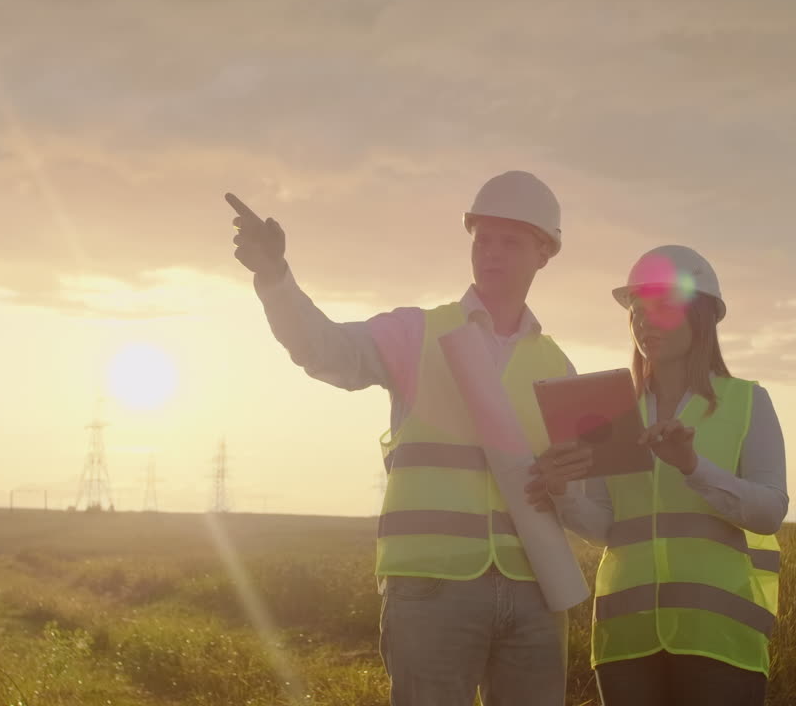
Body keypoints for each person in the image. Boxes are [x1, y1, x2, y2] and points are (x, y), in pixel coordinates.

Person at [226, 171, 579, 706]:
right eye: (483, 238)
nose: (491, 252)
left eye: (510, 241)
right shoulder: (417, 332)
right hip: (431, 585)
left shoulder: (557, 365)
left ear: (544, 251)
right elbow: (326, 350)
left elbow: (575, 484)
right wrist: (275, 277)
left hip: (534, 587)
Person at [527, 245, 788, 706]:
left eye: (663, 308)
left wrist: (693, 466)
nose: (645, 322)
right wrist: (562, 490)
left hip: (719, 635)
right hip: (626, 639)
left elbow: (770, 512)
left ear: (701, 316)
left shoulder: (748, 403)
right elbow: (607, 527)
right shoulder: (609, 410)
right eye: (637, 311)